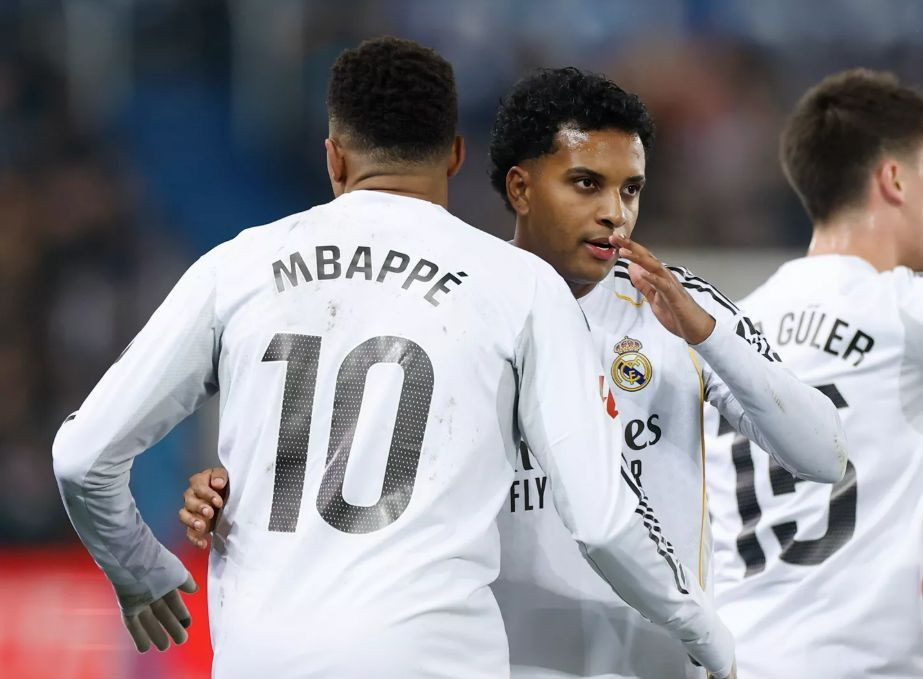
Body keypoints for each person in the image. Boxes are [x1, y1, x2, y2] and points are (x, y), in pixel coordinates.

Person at [52, 39, 737, 679]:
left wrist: (139, 568)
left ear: (334, 158)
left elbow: (83, 456)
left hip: (262, 656)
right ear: (456, 155)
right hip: (429, 655)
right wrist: (705, 633)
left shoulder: (236, 267)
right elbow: (603, 520)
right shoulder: (519, 286)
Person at [181, 66, 845, 678]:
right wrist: (240, 492)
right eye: (585, 183)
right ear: (521, 188)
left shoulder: (680, 309)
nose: (615, 212)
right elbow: (355, 474)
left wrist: (706, 334)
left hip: (655, 663)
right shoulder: (453, 308)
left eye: (630, 188)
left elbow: (822, 455)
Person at [704, 68, 923, 678]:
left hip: (740, 657)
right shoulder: (903, 311)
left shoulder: (730, 331)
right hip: (858, 665)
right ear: (895, 179)